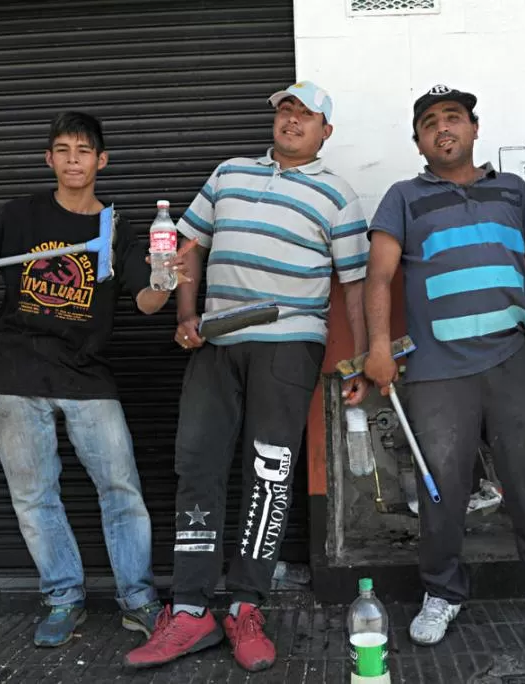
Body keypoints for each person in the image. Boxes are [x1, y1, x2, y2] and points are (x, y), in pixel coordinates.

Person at [124, 81, 371, 672]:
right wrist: (187, 315)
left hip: (289, 347)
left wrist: (361, 359)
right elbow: (189, 248)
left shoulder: (340, 196)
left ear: (325, 131)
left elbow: (355, 286)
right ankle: (188, 611)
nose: (291, 120)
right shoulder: (229, 173)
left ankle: (245, 606)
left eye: (304, 114)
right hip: (217, 342)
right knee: (197, 464)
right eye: (285, 110)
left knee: (269, 473)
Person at [0, 112, 177, 647]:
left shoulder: (117, 228)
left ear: (100, 161)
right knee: (34, 495)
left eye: (83, 151)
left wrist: (166, 272)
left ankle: (138, 600)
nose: (72, 160)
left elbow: (150, 304)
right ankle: (64, 598)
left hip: (86, 374)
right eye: (61, 150)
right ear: (49, 159)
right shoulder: (20, 217)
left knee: (121, 489)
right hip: (19, 372)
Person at [363, 84, 525, 648]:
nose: (442, 128)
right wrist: (376, 347)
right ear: (417, 141)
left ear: (473, 128)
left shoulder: (513, 192)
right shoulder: (401, 197)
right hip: (437, 368)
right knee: (442, 485)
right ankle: (441, 592)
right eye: (429, 123)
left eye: (453, 117)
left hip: (513, 360)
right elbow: (379, 277)